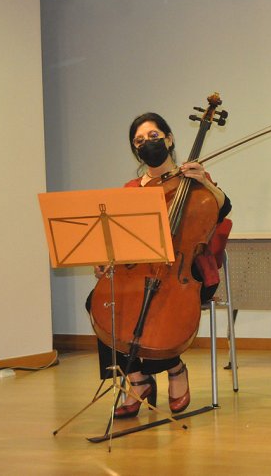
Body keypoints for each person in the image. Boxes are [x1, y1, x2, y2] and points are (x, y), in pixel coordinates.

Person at [86, 112, 232, 418]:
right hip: (140, 267)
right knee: (100, 300)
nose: (147, 143)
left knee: (156, 302)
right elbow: (117, 238)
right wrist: (106, 262)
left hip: (186, 270)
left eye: (153, 136)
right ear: (134, 149)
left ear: (169, 139)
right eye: (139, 140)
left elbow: (222, 209)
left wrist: (206, 182)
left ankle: (175, 369)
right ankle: (136, 379)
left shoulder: (192, 180)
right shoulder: (131, 189)